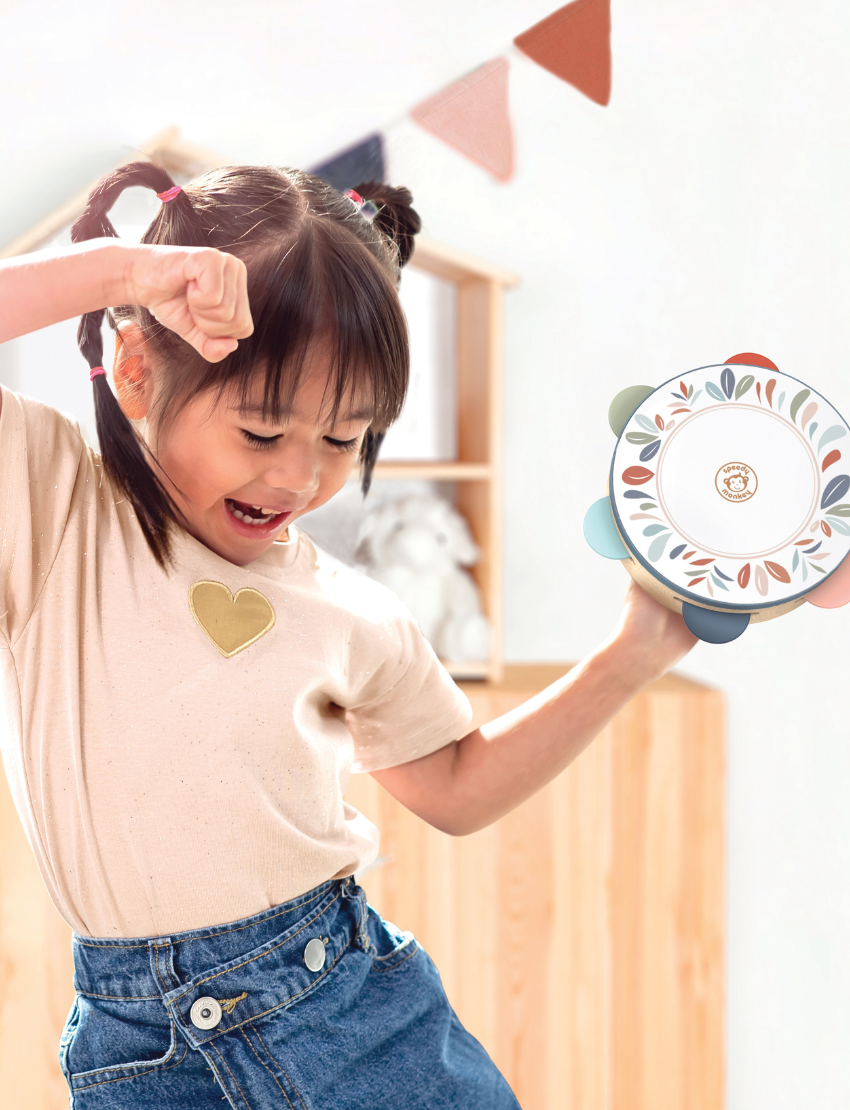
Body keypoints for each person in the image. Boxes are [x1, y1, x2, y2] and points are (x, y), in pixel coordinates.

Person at [0, 162, 696, 1108]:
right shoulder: (55, 509)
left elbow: (454, 787)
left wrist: (634, 654)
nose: (297, 479)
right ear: (133, 372)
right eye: (260, 431)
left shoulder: (352, 612)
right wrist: (127, 276)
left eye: (341, 441)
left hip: (348, 1010)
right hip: (141, 1050)